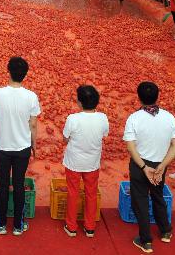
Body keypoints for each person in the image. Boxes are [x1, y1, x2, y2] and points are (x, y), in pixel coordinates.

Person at [0, 57, 40, 236]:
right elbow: (33, 124)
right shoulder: (31, 96)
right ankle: (18, 225)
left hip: (2, 147)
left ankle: (0, 224)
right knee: (18, 184)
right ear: (25, 74)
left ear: (8, 71)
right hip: (22, 148)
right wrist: (34, 145)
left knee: (2, 184)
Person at [123, 81, 175, 253]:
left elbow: (131, 146)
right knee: (158, 195)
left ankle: (146, 240)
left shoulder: (134, 118)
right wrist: (162, 166)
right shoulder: (169, 117)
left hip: (141, 165)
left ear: (139, 98)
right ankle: (165, 231)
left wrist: (143, 167)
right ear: (158, 96)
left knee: (140, 200)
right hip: (159, 165)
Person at [61, 85, 108, 238]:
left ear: (79, 102)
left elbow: (65, 139)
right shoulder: (103, 118)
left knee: (73, 192)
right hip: (92, 163)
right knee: (91, 193)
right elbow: (104, 135)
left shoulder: (72, 119)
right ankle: (89, 227)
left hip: (74, 162)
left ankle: (71, 226)